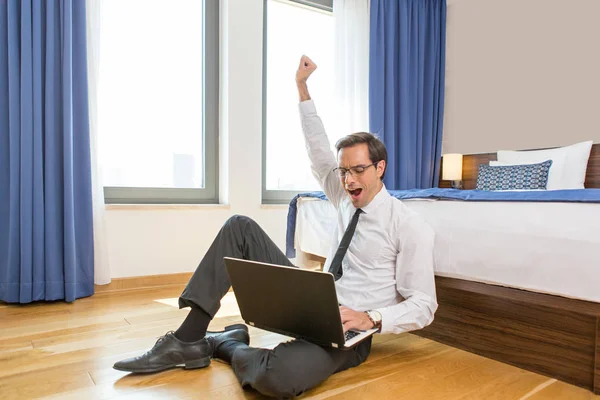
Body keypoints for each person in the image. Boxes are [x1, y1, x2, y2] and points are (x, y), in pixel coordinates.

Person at [113, 55, 437, 399]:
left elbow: (424, 305)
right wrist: (302, 87)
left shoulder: (408, 225)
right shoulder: (343, 195)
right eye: (344, 171)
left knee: (276, 379)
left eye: (358, 170)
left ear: (380, 167)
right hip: (312, 300)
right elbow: (318, 150)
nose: (348, 179)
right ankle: (188, 338)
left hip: (348, 331)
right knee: (239, 227)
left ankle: (224, 344)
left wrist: (370, 318)